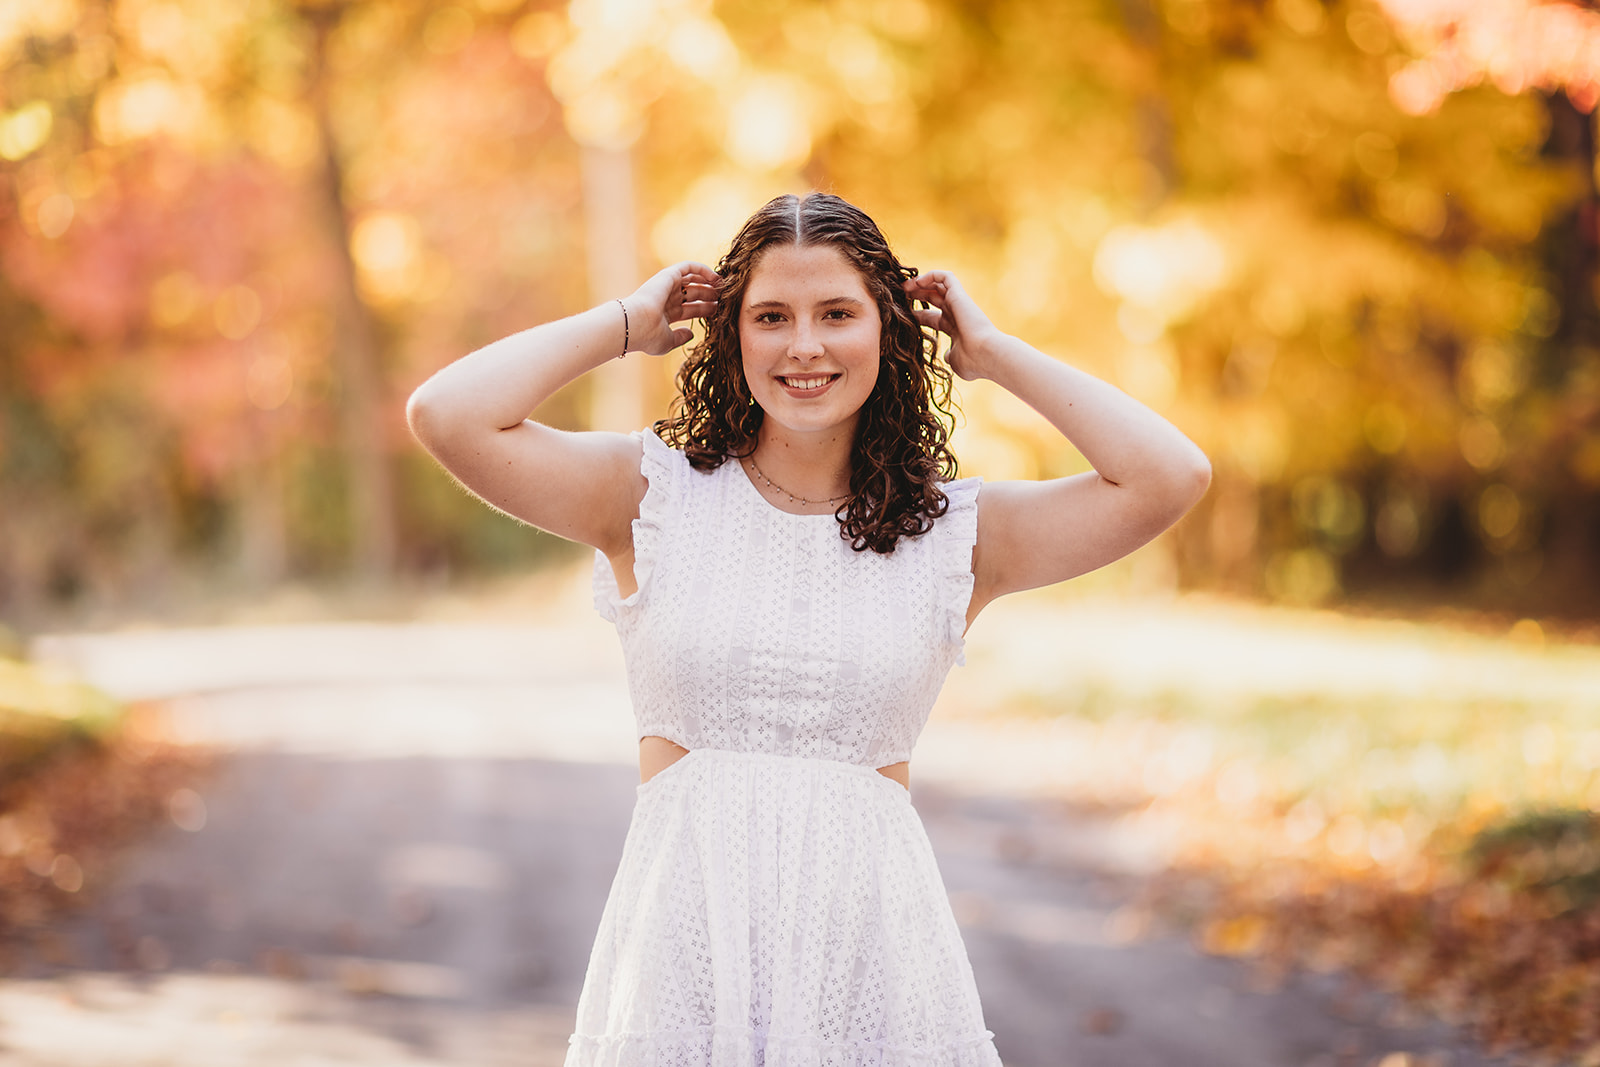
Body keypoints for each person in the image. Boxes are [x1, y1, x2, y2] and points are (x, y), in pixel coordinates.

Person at [406, 192, 1211, 1066]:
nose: (804, 346)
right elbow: (447, 415)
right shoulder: (650, 495)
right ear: (733, 335)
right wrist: (626, 323)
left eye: (837, 313)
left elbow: (1169, 475)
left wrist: (994, 354)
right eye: (771, 316)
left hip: (872, 973)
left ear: (889, 328)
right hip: (684, 961)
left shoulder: (952, 535)